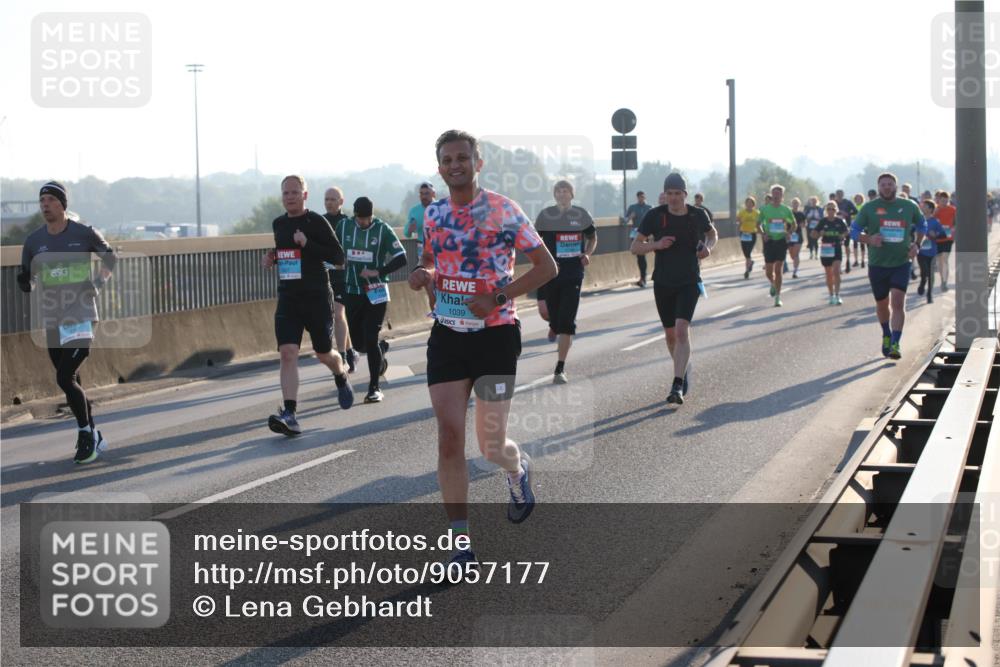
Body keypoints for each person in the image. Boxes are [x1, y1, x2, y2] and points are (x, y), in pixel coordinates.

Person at [408, 130, 557, 568]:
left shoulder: (503, 210)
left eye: (463, 158)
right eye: (447, 160)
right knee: (449, 438)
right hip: (448, 337)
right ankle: (460, 546)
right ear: (439, 168)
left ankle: (517, 469)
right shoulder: (433, 214)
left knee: (490, 445)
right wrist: (423, 273)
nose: (455, 165)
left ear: (478, 162)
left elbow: (546, 266)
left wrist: (496, 297)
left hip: (495, 336)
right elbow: (433, 258)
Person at [18, 181, 116, 464]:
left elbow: (110, 258)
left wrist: (97, 282)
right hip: (53, 318)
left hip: (81, 315)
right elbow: (29, 280)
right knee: (70, 380)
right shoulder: (34, 241)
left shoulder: (83, 233)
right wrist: (25, 282)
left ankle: (85, 434)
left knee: (63, 376)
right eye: (41, 200)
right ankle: (94, 434)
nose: (44, 204)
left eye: (49, 199)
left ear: (62, 203)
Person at [261, 175, 354, 435]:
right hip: (289, 298)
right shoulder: (278, 223)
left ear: (304, 195)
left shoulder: (317, 221)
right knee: (287, 353)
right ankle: (289, 413)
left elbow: (338, 258)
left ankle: (340, 373)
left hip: (316, 298)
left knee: (323, 353)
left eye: (294, 192)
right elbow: (288, 253)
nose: (289, 196)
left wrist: (308, 243)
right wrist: (273, 258)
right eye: (285, 193)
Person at [630, 173, 716, 405]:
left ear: (685, 195)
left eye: (678, 194)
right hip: (663, 282)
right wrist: (656, 244)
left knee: (680, 330)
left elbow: (712, 234)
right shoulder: (655, 216)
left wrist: (708, 248)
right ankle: (683, 367)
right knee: (670, 335)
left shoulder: (698, 215)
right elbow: (635, 246)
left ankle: (677, 384)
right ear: (665, 194)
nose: (674, 198)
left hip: (689, 281)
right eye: (670, 194)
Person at [339, 196, 408, 403]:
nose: (363, 222)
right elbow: (332, 250)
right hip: (352, 290)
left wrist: (378, 271)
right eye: (360, 219)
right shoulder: (344, 227)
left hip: (376, 290)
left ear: (372, 215)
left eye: (367, 218)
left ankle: (374, 388)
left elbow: (401, 258)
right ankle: (380, 349)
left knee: (370, 336)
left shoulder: (382, 229)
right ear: (355, 215)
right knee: (360, 343)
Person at [850, 172, 925, 360]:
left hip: (901, 262)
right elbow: (853, 231)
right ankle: (886, 333)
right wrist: (869, 239)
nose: (886, 187)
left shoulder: (908, 206)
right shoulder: (869, 208)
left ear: (896, 186)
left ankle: (895, 343)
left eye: (890, 184)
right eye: (883, 184)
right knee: (882, 304)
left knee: (898, 302)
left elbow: (922, 225)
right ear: (878, 187)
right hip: (878, 264)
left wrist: (917, 244)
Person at [534, 181, 597, 384]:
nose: (562, 194)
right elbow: (535, 241)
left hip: (573, 274)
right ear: (555, 195)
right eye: (558, 191)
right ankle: (554, 324)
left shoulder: (581, 215)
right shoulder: (546, 215)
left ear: (571, 194)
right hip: (551, 274)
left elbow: (593, 237)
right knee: (552, 315)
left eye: (565, 191)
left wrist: (587, 254)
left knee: (567, 322)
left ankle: (559, 369)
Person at [323, 186, 357, 373]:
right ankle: (351, 352)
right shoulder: (319, 221)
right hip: (325, 277)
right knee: (338, 316)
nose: (329, 202)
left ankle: (342, 356)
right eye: (327, 199)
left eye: (333, 199)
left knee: (338, 313)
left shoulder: (348, 223)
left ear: (341, 202)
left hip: (344, 276)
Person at [757, 184, 796, 307]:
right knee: (769, 272)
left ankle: (778, 297)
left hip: (781, 241)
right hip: (769, 241)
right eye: (774, 193)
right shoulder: (764, 209)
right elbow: (757, 224)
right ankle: (773, 283)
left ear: (782, 196)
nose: (776, 196)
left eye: (778, 194)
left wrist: (789, 233)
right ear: (771, 195)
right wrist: (763, 234)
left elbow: (794, 224)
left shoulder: (786, 210)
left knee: (778, 269)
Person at [404, 182, 437, 312]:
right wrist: (410, 228)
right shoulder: (414, 210)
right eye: (421, 194)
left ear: (433, 194)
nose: (424, 196)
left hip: (441, 251)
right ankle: (436, 317)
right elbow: (407, 233)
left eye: (427, 193)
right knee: (430, 286)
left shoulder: (441, 208)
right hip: (423, 251)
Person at [811, 201, 848, 304]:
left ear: (836, 210)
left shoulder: (839, 221)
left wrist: (842, 235)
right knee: (828, 273)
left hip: (836, 248)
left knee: (836, 271)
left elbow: (846, 231)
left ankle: (837, 295)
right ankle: (831, 295)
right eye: (829, 209)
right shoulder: (823, 222)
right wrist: (819, 233)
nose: (831, 211)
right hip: (826, 249)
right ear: (826, 211)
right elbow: (813, 234)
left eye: (833, 209)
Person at [916, 199, 944, 303]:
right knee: (924, 272)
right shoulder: (919, 220)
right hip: (921, 251)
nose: (922, 207)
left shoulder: (935, 222)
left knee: (931, 274)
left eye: (925, 206)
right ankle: (922, 284)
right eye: (922, 206)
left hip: (932, 252)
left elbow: (942, 234)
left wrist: (935, 235)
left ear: (931, 209)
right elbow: (911, 231)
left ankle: (929, 294)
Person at [625, 191, 652, 287]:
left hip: (646, 233)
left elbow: (654, 220)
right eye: (640, 197)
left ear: (645, 197)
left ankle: (643, 279)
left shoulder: (649, 208)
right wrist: (630, 217)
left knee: (642, 255)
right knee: (639, 256)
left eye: (643, 197)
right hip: (635, 233)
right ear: (637, 197)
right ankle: (643, 278)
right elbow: (625, 220)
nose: (641, 198)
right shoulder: (632, 207)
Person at [933, 190, 956, 291]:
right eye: (942, 200)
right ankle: (942, 279)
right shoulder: (935, 209)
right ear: (939, 200)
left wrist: (953, 228)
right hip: (937, 237)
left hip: (948, 236)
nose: (944, 202)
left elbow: (957, 221)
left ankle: (944, 283)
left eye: (946, 200)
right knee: (939, 261)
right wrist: (935, 213)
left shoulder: (953, 209)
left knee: (945, 258)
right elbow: (929, 221)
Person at [736, 196, 759, 279]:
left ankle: (747, 270)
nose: (749, 204)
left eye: (751, 203)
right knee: (746, 254)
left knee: (748, 252)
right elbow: (737, 220)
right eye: (747, 203)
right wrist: (740, 223)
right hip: (744, 234)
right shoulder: (742, 212)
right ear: (745, 204)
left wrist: (762, 231)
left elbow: (759, 223)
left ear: (753, 204)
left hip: (752, 234)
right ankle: (749, 264)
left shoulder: (756, 213)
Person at [836, 189, 859, 272]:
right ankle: (838, 265)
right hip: (836, 227)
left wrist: (847, 214)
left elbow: (856, 211)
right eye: (838, 194)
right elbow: (827, 211)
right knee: (837, 246)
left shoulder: (848, 202)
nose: (839, 196)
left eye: (840, 194)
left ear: (843, 195)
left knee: (846, 245)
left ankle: (848, 261)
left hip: (846, 226)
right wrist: (837, 213)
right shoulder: (834, 203)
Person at [788, 197, 805, 278]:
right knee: (792, 254)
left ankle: (795, 271)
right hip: (790, 235)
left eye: (796, 203)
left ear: (799, 204)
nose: (795, 205)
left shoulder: (801, 214)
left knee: (796, 254)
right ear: (792, 204)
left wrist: (803, 225)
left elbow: (805, 224)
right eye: (794, 203)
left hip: (798, 235)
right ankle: (795, 267)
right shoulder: (789, 213)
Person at [852, 193, 868, 268]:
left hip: (863, 227)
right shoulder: (853, 207)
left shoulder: (864, 207)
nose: (858, 200)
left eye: (859, 198)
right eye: (857, 199)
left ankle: (862, 260)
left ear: (862, 199)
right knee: (855, 244)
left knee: (862, 244)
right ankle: (856, 260)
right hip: (855, 227)